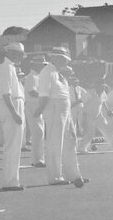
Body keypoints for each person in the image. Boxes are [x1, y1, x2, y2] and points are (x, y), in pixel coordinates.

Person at [34, 47, 84, 186]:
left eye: (65, 59)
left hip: (65, 109)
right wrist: (39, 109)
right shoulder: (47, 72)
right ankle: (55, 177)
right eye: (61, 58)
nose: (64, 61)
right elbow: (44, 94)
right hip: (54, 108)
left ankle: (74, 175)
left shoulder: (58, 73)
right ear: (54, 58)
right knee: (55, 142)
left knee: (70, 141)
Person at [0, 42, 26, 191]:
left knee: (15, 146)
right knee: (11, 146)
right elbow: (6, 94)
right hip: (11, 106)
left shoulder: (10, 68)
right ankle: (9, 181)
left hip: (16, 104)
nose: (20, 57)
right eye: (18, 54)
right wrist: (14, 113)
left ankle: (13, 180)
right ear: (10, 53)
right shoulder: (5, 68)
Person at [23, 57, 47, 168]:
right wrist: (45, 97)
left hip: (37, 105)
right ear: (36, 65)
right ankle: (37, 160)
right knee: (38, 133)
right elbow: (32, 92)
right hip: (33, 105)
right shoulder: (31, 77)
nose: (43, 67)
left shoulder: (37, 77)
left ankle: (38, 159)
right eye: (42, 65)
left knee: (40, 133)